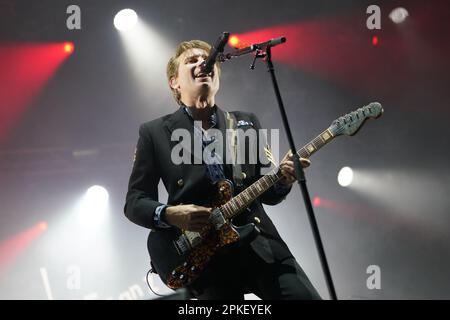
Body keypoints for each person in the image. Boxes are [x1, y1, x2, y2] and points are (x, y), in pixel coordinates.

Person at [124, 39, 321, 300]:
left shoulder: (245, 122)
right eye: (191, 61)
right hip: (206, 260)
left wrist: (284, 179)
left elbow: (269, 194)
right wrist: (171, 214)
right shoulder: (154, 132)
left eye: (206, 60)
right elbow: (135, 202)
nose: (201, 63)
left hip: (260, 243)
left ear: (217, 77)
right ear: (174, 82)